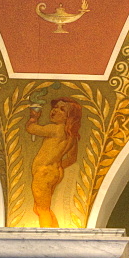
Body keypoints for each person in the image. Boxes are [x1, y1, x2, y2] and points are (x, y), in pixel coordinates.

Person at [27, 97, 82, 228]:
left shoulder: (56, 129)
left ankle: (45, 240)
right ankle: (56, 231)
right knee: (39, 208)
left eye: (62, 110)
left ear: (69, 117)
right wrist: (55, 165)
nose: (55, 111)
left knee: (42, 209)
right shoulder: (71, 136)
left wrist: (33, 118)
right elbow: (71, 159)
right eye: (55, 107)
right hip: (54, 173)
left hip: (44, 173)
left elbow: (31, 129)